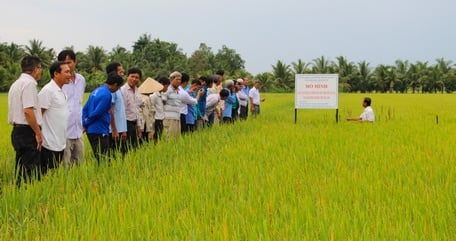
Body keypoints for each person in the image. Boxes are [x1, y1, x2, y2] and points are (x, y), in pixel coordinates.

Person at [8, 56, 43, 186]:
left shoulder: (16, 84)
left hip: (18, 131)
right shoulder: (29, 84)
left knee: (21, 168)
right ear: (36, 69)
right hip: (27, 131)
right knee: (31, 171)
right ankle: (30, 197)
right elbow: (28, 111)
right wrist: (38, 133)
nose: (40, 72)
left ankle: (20, 194)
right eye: (40, 68)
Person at [83, 72, 124, 163]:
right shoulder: (107, 95)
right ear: (115, 85)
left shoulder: (96, 91)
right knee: (104, 160)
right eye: (118, 87)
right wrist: (85, 124)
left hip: (92, 130)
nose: (117, 90)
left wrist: (84, 122)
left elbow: (85, 109)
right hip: (99, 130)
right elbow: (97, 113)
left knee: (100, 157)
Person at [38, 61, 71, 174]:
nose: (69, 74)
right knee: (47, 174)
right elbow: (39, 115)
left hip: (59, 142)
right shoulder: (48, 91)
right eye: (66, 72)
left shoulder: (61, 91)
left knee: (54, 174)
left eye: (70, 72)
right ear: (56, 74)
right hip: (48, 143)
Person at [59, 50, 86, 168]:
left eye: (69, 62)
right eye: (63, 63)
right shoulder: (60, 82)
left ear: (75, 62)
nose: (67, 65)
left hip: (78, 129)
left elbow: (78, 103)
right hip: (64, 130)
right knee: (66, 165)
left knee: (79, 165)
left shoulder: (81, 80)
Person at [106, 62, 127, 156]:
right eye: (120, 72)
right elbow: (111, 110)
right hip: (113, 131)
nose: (123, 74)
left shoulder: (118, 89)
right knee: (115, 155)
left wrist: (123, 129)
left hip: (120, 129)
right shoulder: (112, 90)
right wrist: (114, 130)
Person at [121, 67, 143, 150]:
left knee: (134, 148)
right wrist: (123, 129)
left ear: (139, 79)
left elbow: (137, 110)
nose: (134, 79)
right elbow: (122, 112)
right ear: (127, 77)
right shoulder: (123, 90)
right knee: (126, 149)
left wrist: (138, 126)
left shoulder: (137, 91)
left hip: (134, 123)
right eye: (132, 76)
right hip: (126, 123)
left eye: (136, 77)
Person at [138, 77, 163, 143]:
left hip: (142, 124)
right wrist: (150, 129)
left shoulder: (143, 97)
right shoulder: (145, 99)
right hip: (144, 125)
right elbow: (146, 114)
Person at [163, 71, 182, 141]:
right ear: (171, 80)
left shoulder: (177, 91)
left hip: (176, 117)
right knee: (169, 139)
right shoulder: (167, 89)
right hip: (169, 118)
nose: (179, 81)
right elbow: (162, 101)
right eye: (177, 79)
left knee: (176, 139)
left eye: (180, 80)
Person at [151, 76, 170, 143]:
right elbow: (151, 109)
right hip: (156, 120)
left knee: (159, 137)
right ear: (161, 84)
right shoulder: (154, 96)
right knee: (155, 138)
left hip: (161, 119)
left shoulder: (161, 95)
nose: (167, 89)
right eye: (166, 86)